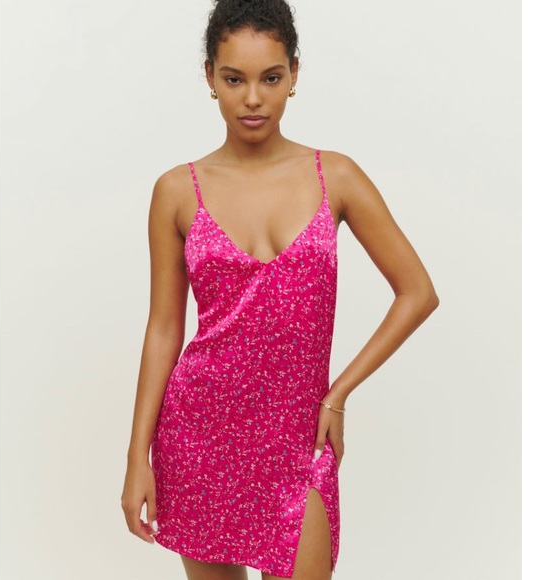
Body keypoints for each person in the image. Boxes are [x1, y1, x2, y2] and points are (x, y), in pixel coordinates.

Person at [121, 1, 439, 579]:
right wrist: (136, 456)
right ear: (209, 77)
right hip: (200, 432)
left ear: (294, 73)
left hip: (299, 434)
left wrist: (337, 394)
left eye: (270, 78)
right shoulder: (176, 190)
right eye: (233, 79)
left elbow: (417, 292)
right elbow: (164, 329)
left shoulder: (335, 175)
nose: (252, 98)